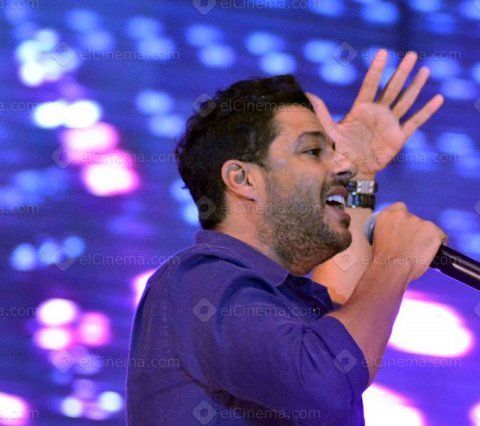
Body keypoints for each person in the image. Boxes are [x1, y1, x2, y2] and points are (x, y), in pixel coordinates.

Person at [126, 49, 447, 425]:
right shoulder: (199, 279)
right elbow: (326, 376)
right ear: (243, 179)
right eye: (313, 151)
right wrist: (393, 262)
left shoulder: (278, 300)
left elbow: (346, 324)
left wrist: (360, 176)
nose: (341, 165)